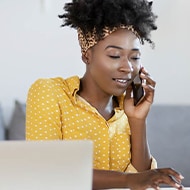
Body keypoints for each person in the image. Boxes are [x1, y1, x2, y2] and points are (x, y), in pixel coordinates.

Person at [26, 0, 184, 189]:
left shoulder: (128, 108)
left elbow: (141, 182)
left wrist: (138, 120)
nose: (127, 67)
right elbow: (47, 171)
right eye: (114, 56)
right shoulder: (50, 93)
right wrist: (127, 180)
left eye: (135, 57)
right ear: (87, 55)